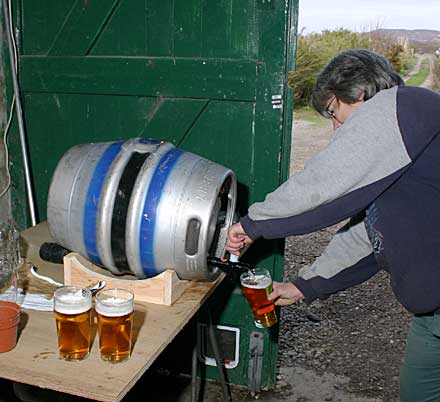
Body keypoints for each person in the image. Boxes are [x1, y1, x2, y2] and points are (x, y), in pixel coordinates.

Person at [226, 49, 440, 402]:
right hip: (430, 319)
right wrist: (303, 285)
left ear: (360, 94)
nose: (335, 128)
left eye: (333, 112)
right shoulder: (399, 150)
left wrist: (253, 224)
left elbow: (323, 184)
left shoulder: (401, 106)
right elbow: (371, 235)